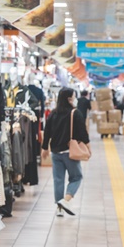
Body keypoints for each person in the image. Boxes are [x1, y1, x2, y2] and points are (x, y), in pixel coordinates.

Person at [43, 88, 89, 216]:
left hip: (56, 152)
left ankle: (59, 209)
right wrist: (88, 147)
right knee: (76, 177)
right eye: (73, 96)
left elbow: (47, 132)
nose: (74, 98)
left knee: (58, 179)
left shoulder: (53, 113)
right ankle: (66, 200)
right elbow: (83, 133)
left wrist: (45, 148)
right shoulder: (75, 113)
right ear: (69, 98)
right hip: (70, 152)